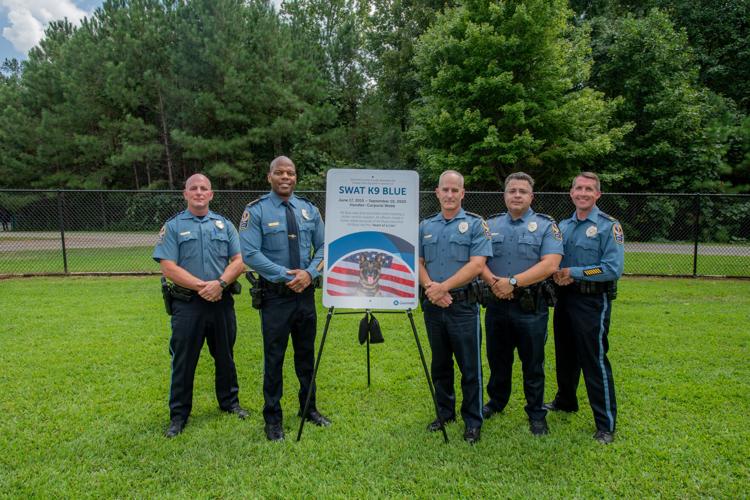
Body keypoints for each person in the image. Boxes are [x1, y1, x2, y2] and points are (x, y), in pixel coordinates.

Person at [239, 156, 330, 442]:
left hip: (305, 295)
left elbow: (325, 246)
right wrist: (284, 275)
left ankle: (308, 408)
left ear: (295, 176)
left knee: (306, 357)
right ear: (270, 177)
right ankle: (273, 419)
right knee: (274, 358)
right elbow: (250, 254)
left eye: (290, 172)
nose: (285, 177)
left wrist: (310, 272)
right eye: (279, 172)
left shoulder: (309, 209)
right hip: (275, 298)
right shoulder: (256, 211)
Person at [153, 173, 249, 438]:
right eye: (193, 188)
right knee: (184, 360)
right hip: (187, 305)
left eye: (203, 188)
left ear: (211, 194)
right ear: (185, 194)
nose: (198, 192)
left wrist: (219, 284)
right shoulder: (172, 227)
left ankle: (230, 403)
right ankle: (179, 415)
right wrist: (201, 287)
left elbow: (239, 260)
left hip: (221, 301)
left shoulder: (224, 225)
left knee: (225, 356)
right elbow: (167, 266)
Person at [479, 172, 563, 435]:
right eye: (512, 191)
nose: (517, 195)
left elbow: (551, 264)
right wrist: (495, 283)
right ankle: (496, 401)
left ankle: (536, 412)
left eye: (522, 191)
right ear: (504, 195)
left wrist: (512, 282)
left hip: (531, 307)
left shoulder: (547, 225)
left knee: (533, 362)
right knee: (497, 359)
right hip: (496, 303)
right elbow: (478, 260)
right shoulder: (489, 225)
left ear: (531, 196)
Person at [545, 172, 624, 444]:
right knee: (565, 354)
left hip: (592, 301)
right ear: (571, 193)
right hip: (564, 299)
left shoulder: (608, 226)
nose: (583, 193)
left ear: (597, 194)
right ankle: (566, 401)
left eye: (589, 189)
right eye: (578, 188)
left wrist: (574, 272)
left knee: (593, 358)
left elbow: (612, 268)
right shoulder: (563, 226)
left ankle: (605, 424)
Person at [419, 170, 492, 444]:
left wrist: (443, 288)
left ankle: (473, 421)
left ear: (463, 193)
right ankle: (445, 413)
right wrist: (431, 289)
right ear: (437, 193)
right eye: (444, 190)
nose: (449, 195)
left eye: (455, 190)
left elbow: (477, 264)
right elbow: (418, 262)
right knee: (440, 364)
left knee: (470, 367)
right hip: (434, 306)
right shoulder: (425, 226)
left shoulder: (475, 224)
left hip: (463, 306)